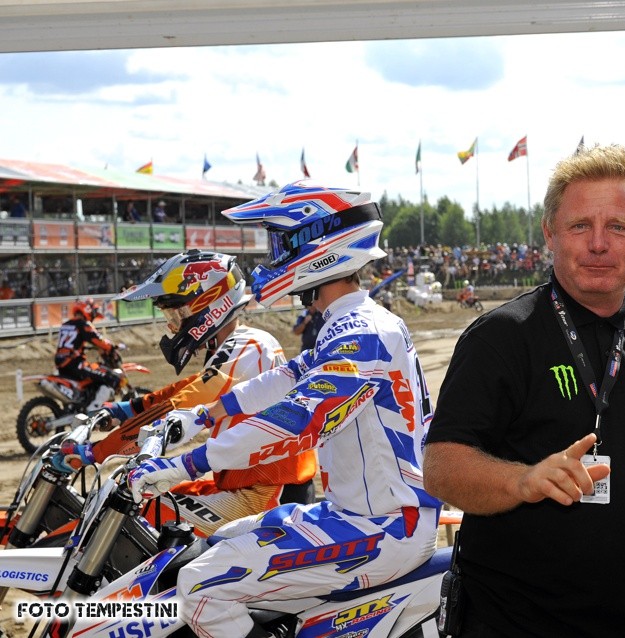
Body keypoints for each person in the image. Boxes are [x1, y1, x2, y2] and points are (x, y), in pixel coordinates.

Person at [422, 144, 625, 637]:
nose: (598, 244)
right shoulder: (500, 337)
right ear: (550, 233)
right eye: (580, 225)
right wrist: (523, 480)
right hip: (513, 625)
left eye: (618, 227)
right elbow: (441, 468)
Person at [126, 182, 440, 638]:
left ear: (319, 247)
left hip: (380, 528)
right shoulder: (355, 322)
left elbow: (296, 420)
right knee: (215, 541)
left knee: (200, 585)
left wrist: (185, 465)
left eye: (281, 245)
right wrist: (201, 417)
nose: (273, 259)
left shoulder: (362, 332)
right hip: (364, 517)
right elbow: (288, 376)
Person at [52, 250, 316, 537]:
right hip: (247, 485)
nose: (172, 324)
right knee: (138, 499)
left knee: (140, 516)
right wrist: (130, 408)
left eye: (177, 313)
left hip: (267, 496)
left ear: (210, 304)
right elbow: (188, 388)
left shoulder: (249, 346)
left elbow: (186, 401)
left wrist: (98, 452)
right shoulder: (239, 345)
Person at [54, 298, 122, 411]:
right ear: (87, 310)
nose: (93, 316)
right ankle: (92, 410)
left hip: (61, 363)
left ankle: (80, 405)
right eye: (93, 312)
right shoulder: (83, 324)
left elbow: (73, 343)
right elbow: (98, 339)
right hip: (75, 364)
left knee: (90, 381)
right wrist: (111, 347)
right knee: (111, 378)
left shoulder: (66, 324)